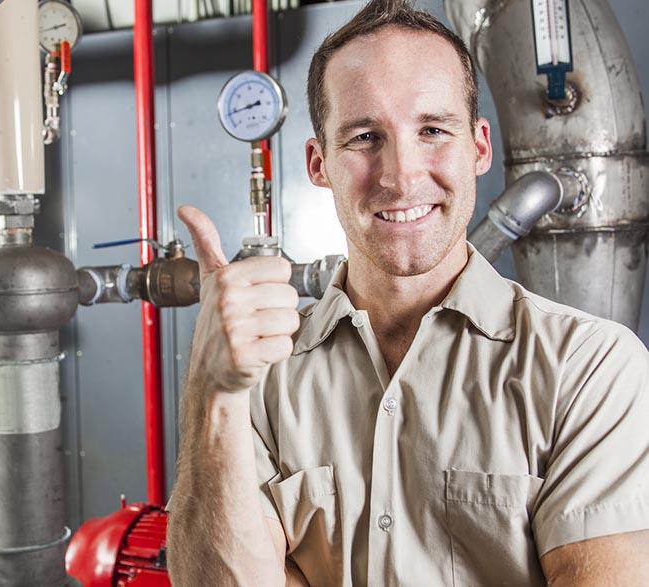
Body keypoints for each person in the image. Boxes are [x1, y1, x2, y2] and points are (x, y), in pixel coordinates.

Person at [164, 0, 649, 584]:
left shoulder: (590, 369)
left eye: (433, 131)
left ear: (480, 146)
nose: (401, 175)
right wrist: (213, 394)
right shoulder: (262, 380)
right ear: (319, 163)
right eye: (366, 137)